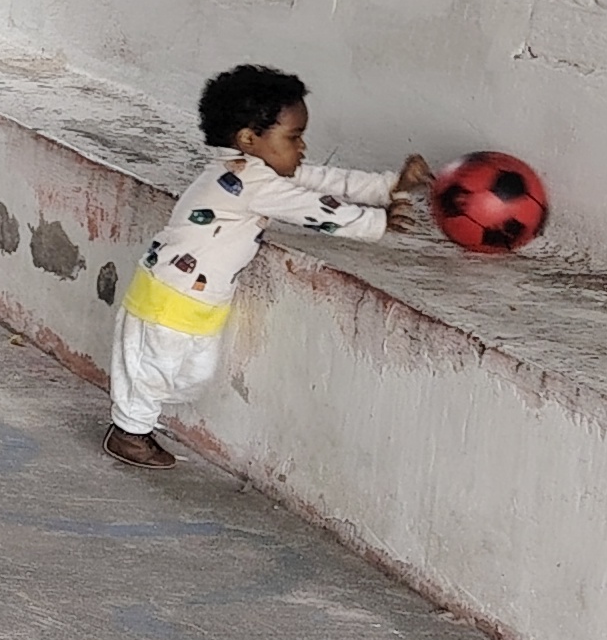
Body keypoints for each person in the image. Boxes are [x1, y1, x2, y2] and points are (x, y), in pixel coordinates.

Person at [106, 65, 432, 469]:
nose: (303, 146)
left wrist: (391, 186)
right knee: (152, 370)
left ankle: (138, 419)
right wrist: (377, 222)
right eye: (294, 137)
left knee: (190, 377)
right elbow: (312, 208)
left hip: (203, 298)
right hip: (166, 295)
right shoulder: (247, 182)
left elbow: (323, 180)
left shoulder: (257, 171)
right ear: (249, 139)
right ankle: (129, 433)